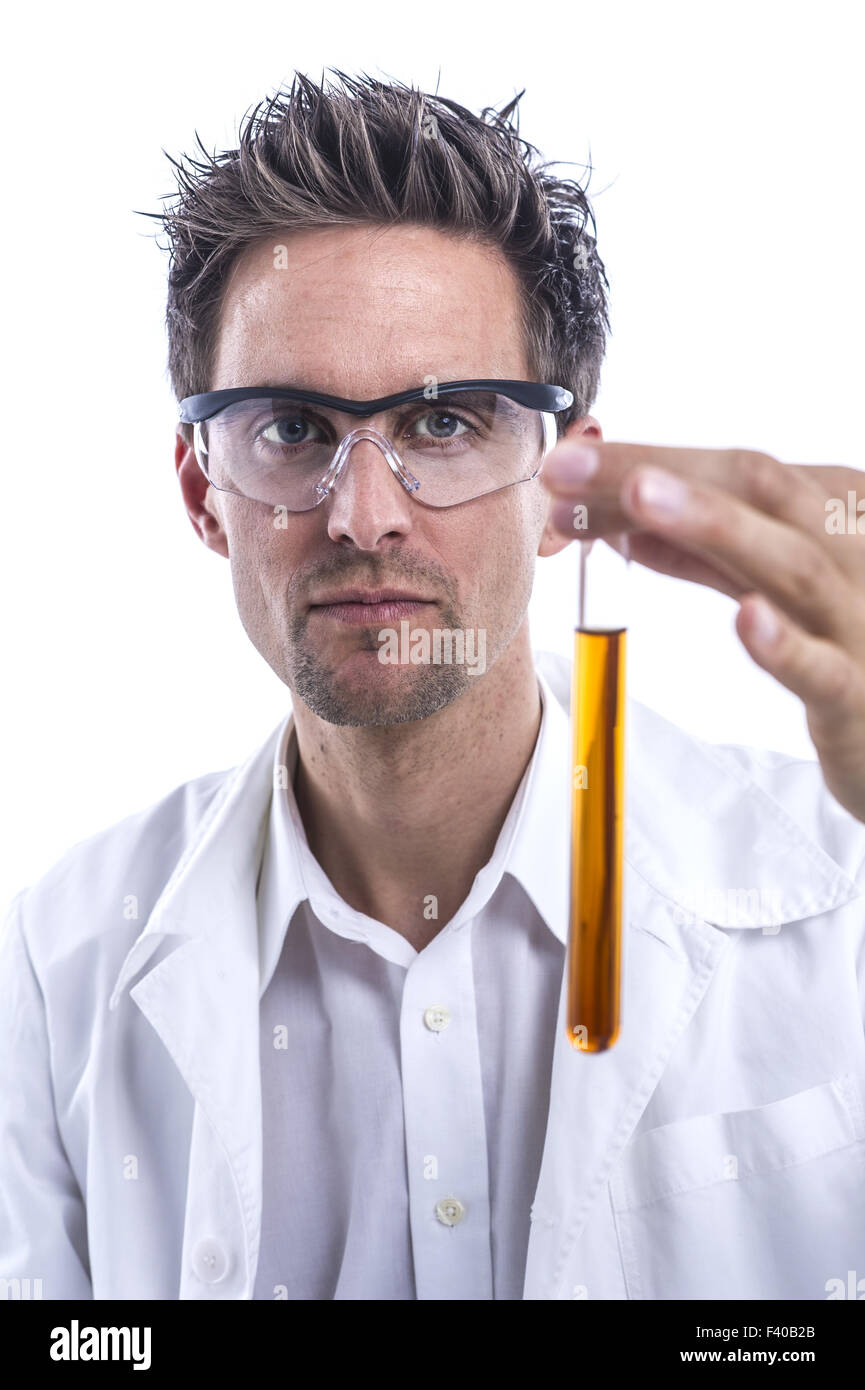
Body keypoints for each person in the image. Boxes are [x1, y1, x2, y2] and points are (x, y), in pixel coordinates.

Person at [2, 71, 865, 1303]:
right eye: (291, 427)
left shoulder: (839, 899)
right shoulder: (53, 966)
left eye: (444, 423)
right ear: (204, 493)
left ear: (565, 482)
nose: (365, 517)